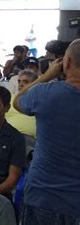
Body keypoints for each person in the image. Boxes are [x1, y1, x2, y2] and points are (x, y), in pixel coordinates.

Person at [13, 39, 80, 223]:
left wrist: (46, 76)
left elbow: (18, 101)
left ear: (66, 63)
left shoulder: (45, 92)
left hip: (43, 196)